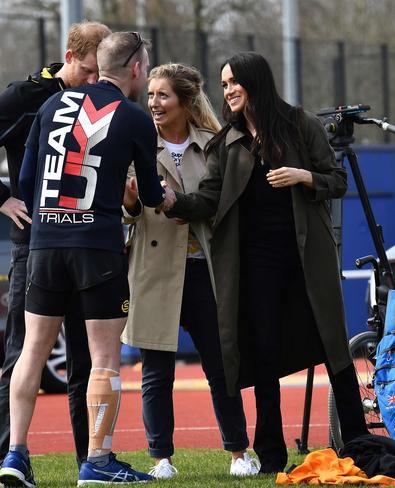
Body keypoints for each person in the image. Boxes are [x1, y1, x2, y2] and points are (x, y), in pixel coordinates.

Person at [164, 51, 368, 473]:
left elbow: (337, 181)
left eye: (233, 81)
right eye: (223, 85)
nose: (228, 91)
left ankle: (359, 444)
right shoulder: (228, 142)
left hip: (306, 258)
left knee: (334, 349)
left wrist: (302, 176)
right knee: (265, 355)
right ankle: (273, 457)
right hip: (256, 268)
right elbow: (209, 198)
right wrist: (171, 202)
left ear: (255, 81)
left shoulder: (300, 124)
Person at [0, 31, 175, 487]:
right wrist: (151, 194)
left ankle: (15, 455)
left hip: (43, 245)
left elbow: (26, 176)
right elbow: (153, 196)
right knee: (102, 359)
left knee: (31, 354)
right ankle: (97, 460)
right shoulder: (134, 117)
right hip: (96, 247)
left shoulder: (49, 107)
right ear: (135, 68)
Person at [121, 63, 259, 478]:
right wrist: (130, 202)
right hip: (154, 271)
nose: (153, 103)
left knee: (221, 368)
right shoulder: (136, 143)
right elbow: (128, 216)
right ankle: (161, 459)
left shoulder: (213, 144)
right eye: (150, 95)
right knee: (156, 372)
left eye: (163, 95)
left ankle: (239, 453)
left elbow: (224, 203)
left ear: (184, 100)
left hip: (205, 270)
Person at [0, 21, 111, 469]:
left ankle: (92, 460)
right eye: (86, 71)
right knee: (22, 353)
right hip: (34, 242)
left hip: (86, 244)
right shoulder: (23, 98)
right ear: (68, 57)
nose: (91, 81)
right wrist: (3, 198)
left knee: (87, 357)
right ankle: (8, 455)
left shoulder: (103, 99)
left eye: (99, 74)